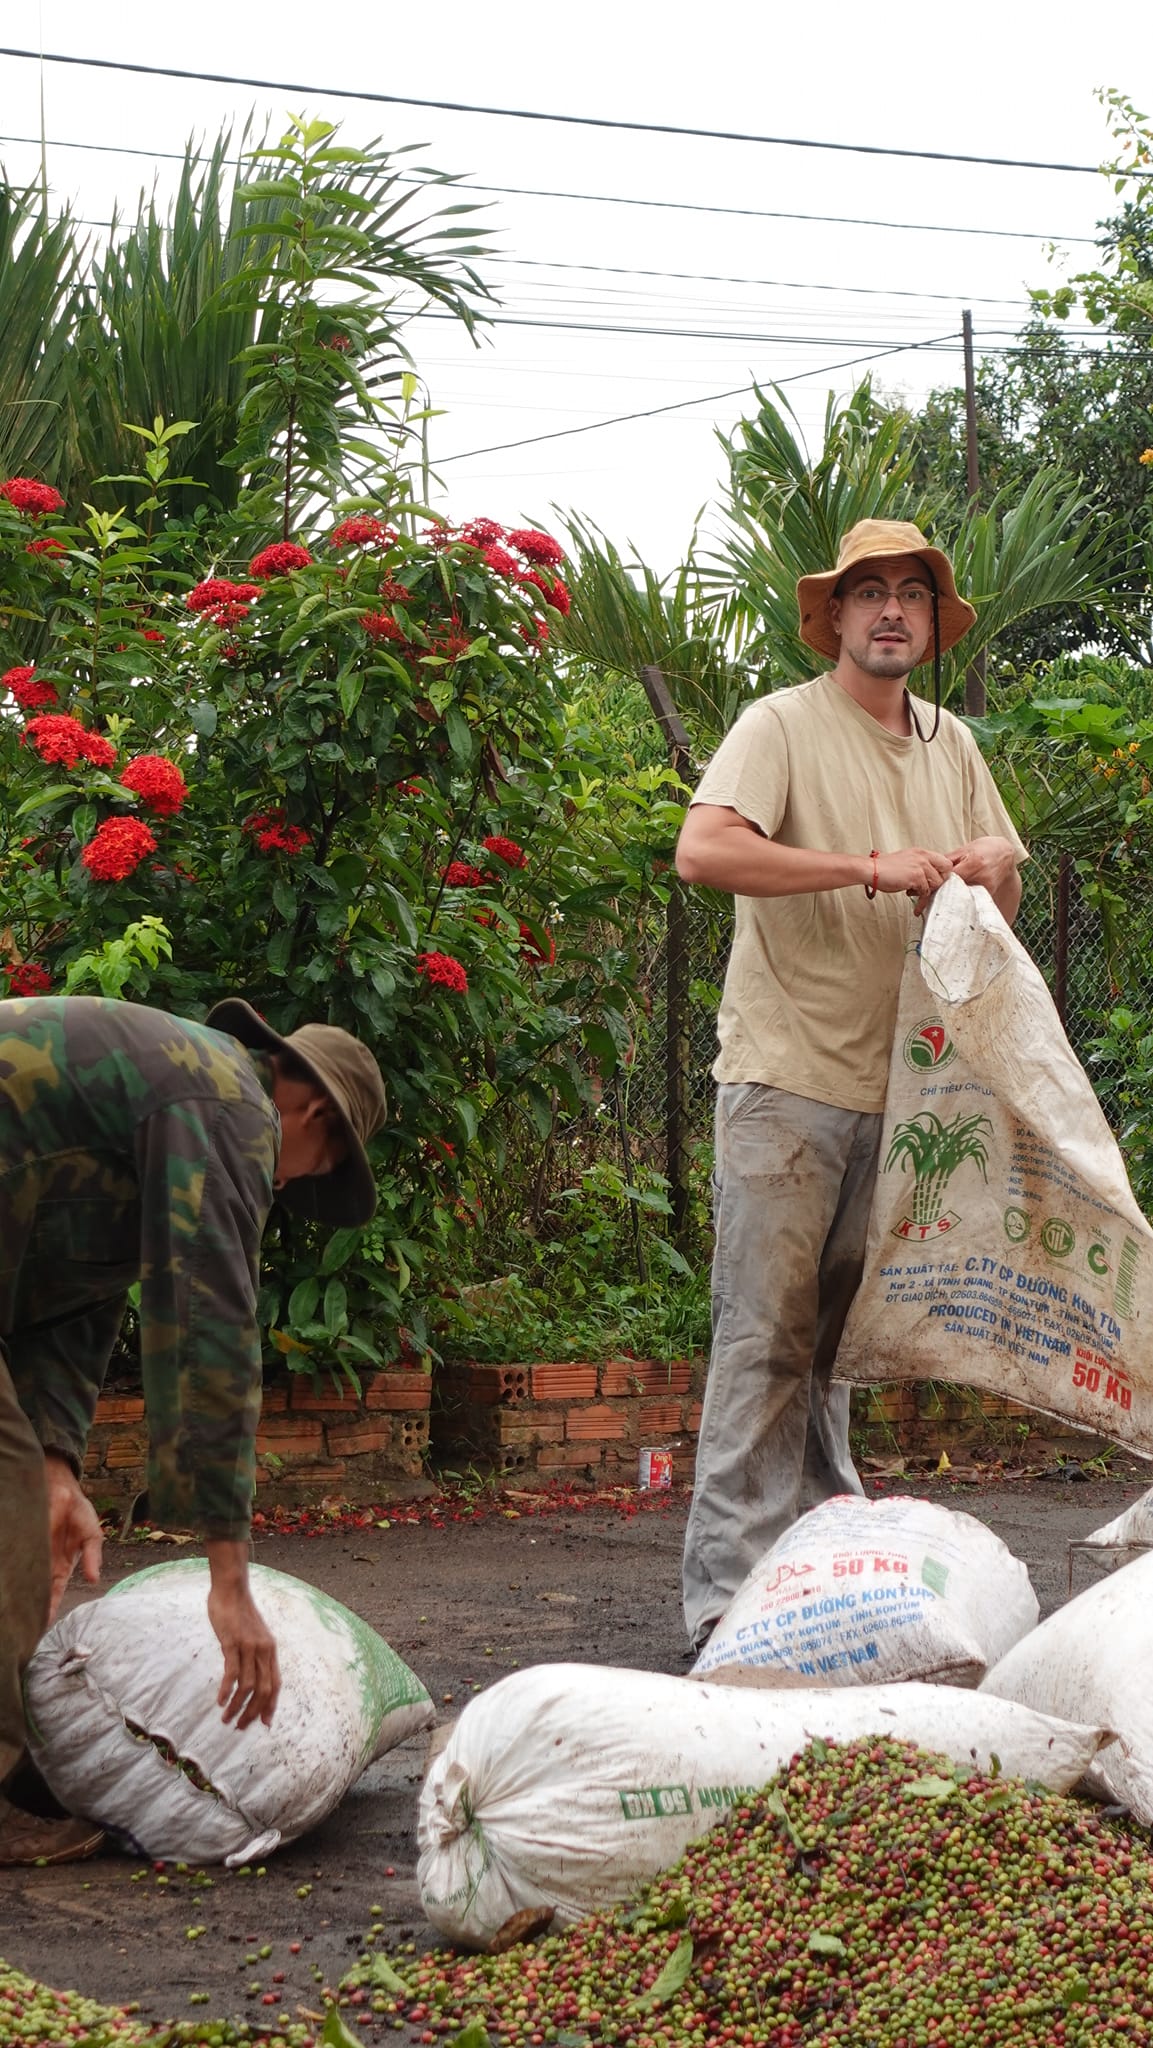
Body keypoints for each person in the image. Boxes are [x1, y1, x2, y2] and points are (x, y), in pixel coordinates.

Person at [677, 519, 1027, 1654]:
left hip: (908, 1092)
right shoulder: (778, 725)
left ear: (931, 625)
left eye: (911, 597)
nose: (890, 611)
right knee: (763, 1341)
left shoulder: (954, 746)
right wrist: (866, 867)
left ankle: (816, 1593)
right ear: (831, 618)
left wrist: (985, 874)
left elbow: (999, 912)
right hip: (786, 1079)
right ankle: (722, 1608)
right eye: (867, 593)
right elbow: (706, 852)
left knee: (835, 1349)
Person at [0, 993, 386, 1864]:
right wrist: (228, 1575)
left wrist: (58, 1465)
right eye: (316, 1166)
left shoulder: (180, 1090)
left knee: (20, 1492)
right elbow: (208, 1326)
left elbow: (75, 1297)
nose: (290, 1185)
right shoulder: (227, 1106)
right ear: (313, 1109)